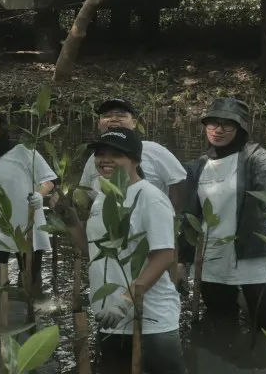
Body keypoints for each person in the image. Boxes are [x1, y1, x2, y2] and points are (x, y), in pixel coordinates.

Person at [62, 127, 187, 374]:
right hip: (110, 318)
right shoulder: (103, 197)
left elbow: (164, 256)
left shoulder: (150, 197)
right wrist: (67, 219)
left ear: (135, 160)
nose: (105, 160)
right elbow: (94, 252)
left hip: (150, 319)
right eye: (100, 153)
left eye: (116, 154)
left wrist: (127, 301)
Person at [178, 97, 266, 331]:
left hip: (256, 255)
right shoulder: (197, 166)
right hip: (211, 257)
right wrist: (182, 259)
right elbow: (190, 215)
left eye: (227, 124)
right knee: (219, 324)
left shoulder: (255, 157)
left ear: (240, 128)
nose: (218, 130)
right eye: (212, 123)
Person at [0, 108, 57, 287]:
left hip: (28, 225)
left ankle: (30, 312)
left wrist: (40, 194)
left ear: (2, 128)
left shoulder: (22, 150)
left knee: (30, 280)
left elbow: (49, 179)